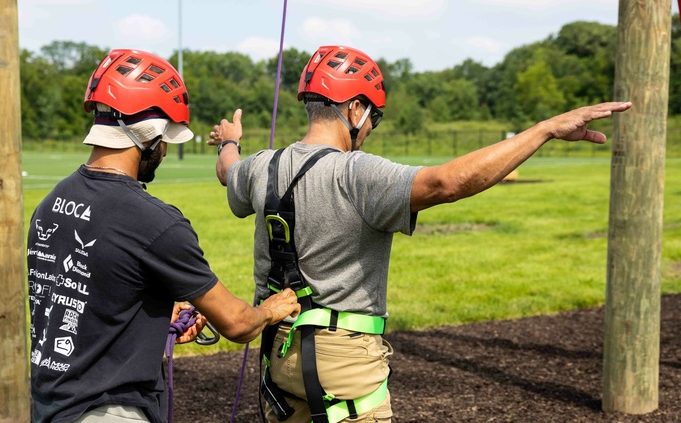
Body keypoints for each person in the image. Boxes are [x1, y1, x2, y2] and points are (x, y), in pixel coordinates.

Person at [207, 44, 632, 423]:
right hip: (342, 364)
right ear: (355, 109)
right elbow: (447, 183)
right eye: (374, 115)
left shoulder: (260, 166)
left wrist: (230, 141)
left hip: (277, 352)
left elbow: (228, 171)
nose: (371, 126)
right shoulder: (358, 173)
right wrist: (544, 130)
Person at [26, 48, 300, 423]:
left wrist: (153, 316)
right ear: (150, 135)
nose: (167, 151)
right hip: (109, 412)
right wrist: (269, 311)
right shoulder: (155, 222)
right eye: (167, 137)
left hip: (50, 408)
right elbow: (236, 323)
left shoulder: (52, 202)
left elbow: (86, 290)